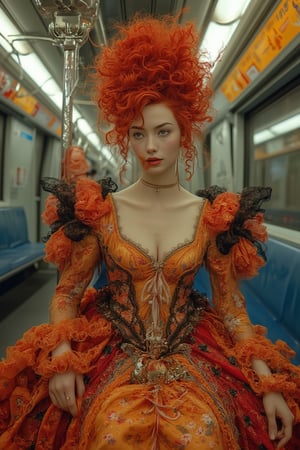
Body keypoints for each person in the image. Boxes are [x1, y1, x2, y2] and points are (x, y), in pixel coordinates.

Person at [0, 14, 299, 450]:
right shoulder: (100, 212)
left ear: (184, 134)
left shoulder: (212, 217)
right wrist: (63, 355)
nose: (151, 147)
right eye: (138, 134)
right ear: (127, 137)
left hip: (192, 346)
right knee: (110, 433)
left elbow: (232, 309)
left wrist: (267, 378)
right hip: (112, 344)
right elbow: (66, 295)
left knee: (205, 435)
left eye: (163, 132)